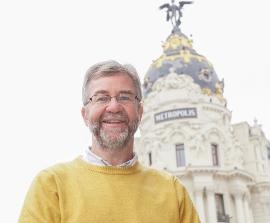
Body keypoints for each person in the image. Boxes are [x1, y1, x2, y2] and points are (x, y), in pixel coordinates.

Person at [19, 60, 200, 223]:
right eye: (101, 98)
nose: (113, 107)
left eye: (125, 97)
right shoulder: (52, 186)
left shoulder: (173, 192)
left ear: (140, 111)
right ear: (85, 115)